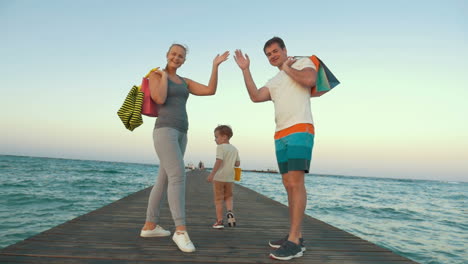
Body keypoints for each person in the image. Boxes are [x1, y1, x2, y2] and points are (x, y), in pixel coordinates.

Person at [140, 43, 229, 253]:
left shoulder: (185, 81)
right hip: (164, 131)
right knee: (178, 176)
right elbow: (159, 98)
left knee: (163, 180)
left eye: (180, 56)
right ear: (167, 55)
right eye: (173, 54)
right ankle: (180, 231)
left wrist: (215, 66)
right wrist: (163, 76)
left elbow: (210, 90)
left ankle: (149, 226)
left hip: (181, 133)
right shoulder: (156, 75)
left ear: (184, 60)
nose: (176, 58)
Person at [233, 37, 316, 261]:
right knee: (288, 185)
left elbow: (309, 79)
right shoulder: (274, 80)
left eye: (275, 51)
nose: (272, 56)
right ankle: (294, 234)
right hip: (281, 134)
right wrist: (245, 70)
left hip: (300, 129)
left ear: (284, 50)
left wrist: (288, 67)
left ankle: (295, 242)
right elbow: (255, 96)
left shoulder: (301, 63)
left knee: (296, 183)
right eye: (268, 54)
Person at [206, 125, 240, 229]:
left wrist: (212, 174)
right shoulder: (234, 149)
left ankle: (219, 221)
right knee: (229, 197)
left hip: (219, 177)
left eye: (216, 137)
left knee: (219, 200)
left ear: (224, 137)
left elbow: (219, 161)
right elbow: (237, 164)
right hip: (230, 178)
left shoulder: (220, 147)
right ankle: (230, 213)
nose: (215, 139)